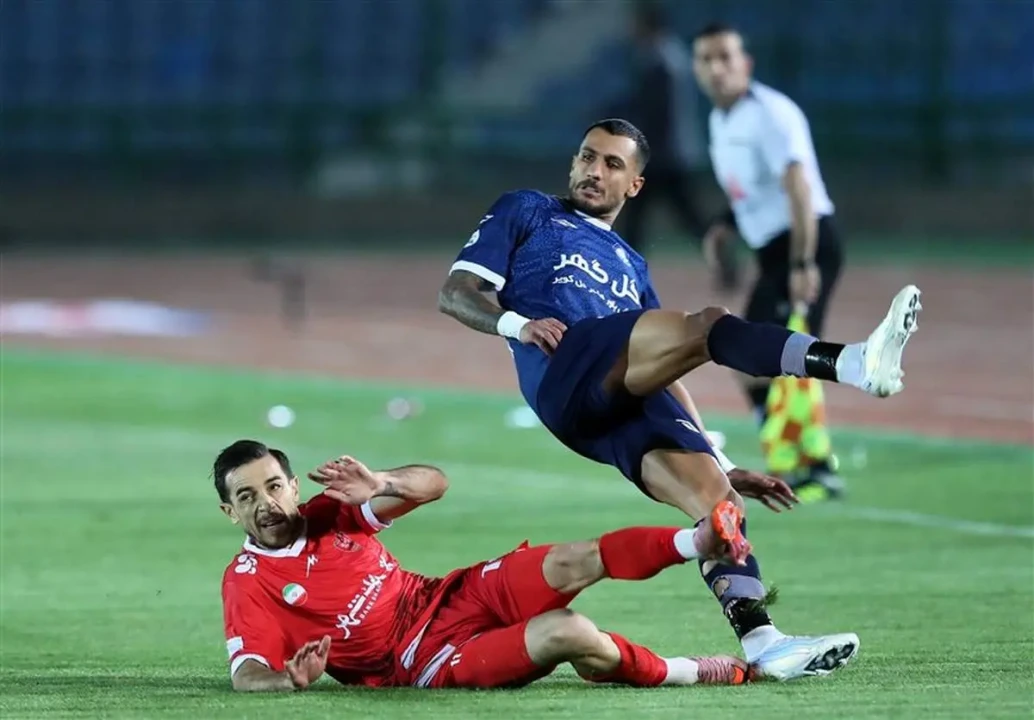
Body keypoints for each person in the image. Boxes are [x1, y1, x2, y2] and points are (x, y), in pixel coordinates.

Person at [437, 118, 922, 680]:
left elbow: (665, 369)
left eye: (612, 164)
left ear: (635, 184)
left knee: (720, 507)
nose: (594, 171)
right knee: (708, 324)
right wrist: (518, 324)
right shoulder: (528, 210)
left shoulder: (632, 264)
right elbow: (456, 293)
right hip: (566, 368)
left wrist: (722, 461)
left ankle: (764, 643)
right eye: (587, 157)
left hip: (613, 404)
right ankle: (854, 363)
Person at [217, 440, 788, 691]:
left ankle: (697, 540)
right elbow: (247, 674)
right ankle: (684, 671)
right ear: (230, 511)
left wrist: (384, 482)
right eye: (247, 496)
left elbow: (435, 483)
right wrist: (288, 680)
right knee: (568, 631)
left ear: (293, 486)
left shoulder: (331, 511)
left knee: (571, 560)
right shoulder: (247, 583)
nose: (266, 503)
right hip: (421, 663)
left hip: (448, 596)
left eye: (273, 486)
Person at [692, 23, 847, 497]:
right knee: (752, 359)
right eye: (706, 59)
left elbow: (799, 187)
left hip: (804, 243)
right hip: (772, 251)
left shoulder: (772, 114)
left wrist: (803, 263)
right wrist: (725, 226)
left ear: (746, 64)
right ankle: (788, 457)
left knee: (787, 355)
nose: (716, 68)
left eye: (725, 57)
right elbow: (750, 190)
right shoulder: (721, 120)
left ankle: (816, 467)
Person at [612, 4, 740, 292]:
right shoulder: (666, 55)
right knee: (664, 218)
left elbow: (654, 110)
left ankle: (623, 274)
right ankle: (726, 264)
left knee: (650, 219)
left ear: (647, 25)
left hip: (663, 156)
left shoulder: (661, 60)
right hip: (668, 154)